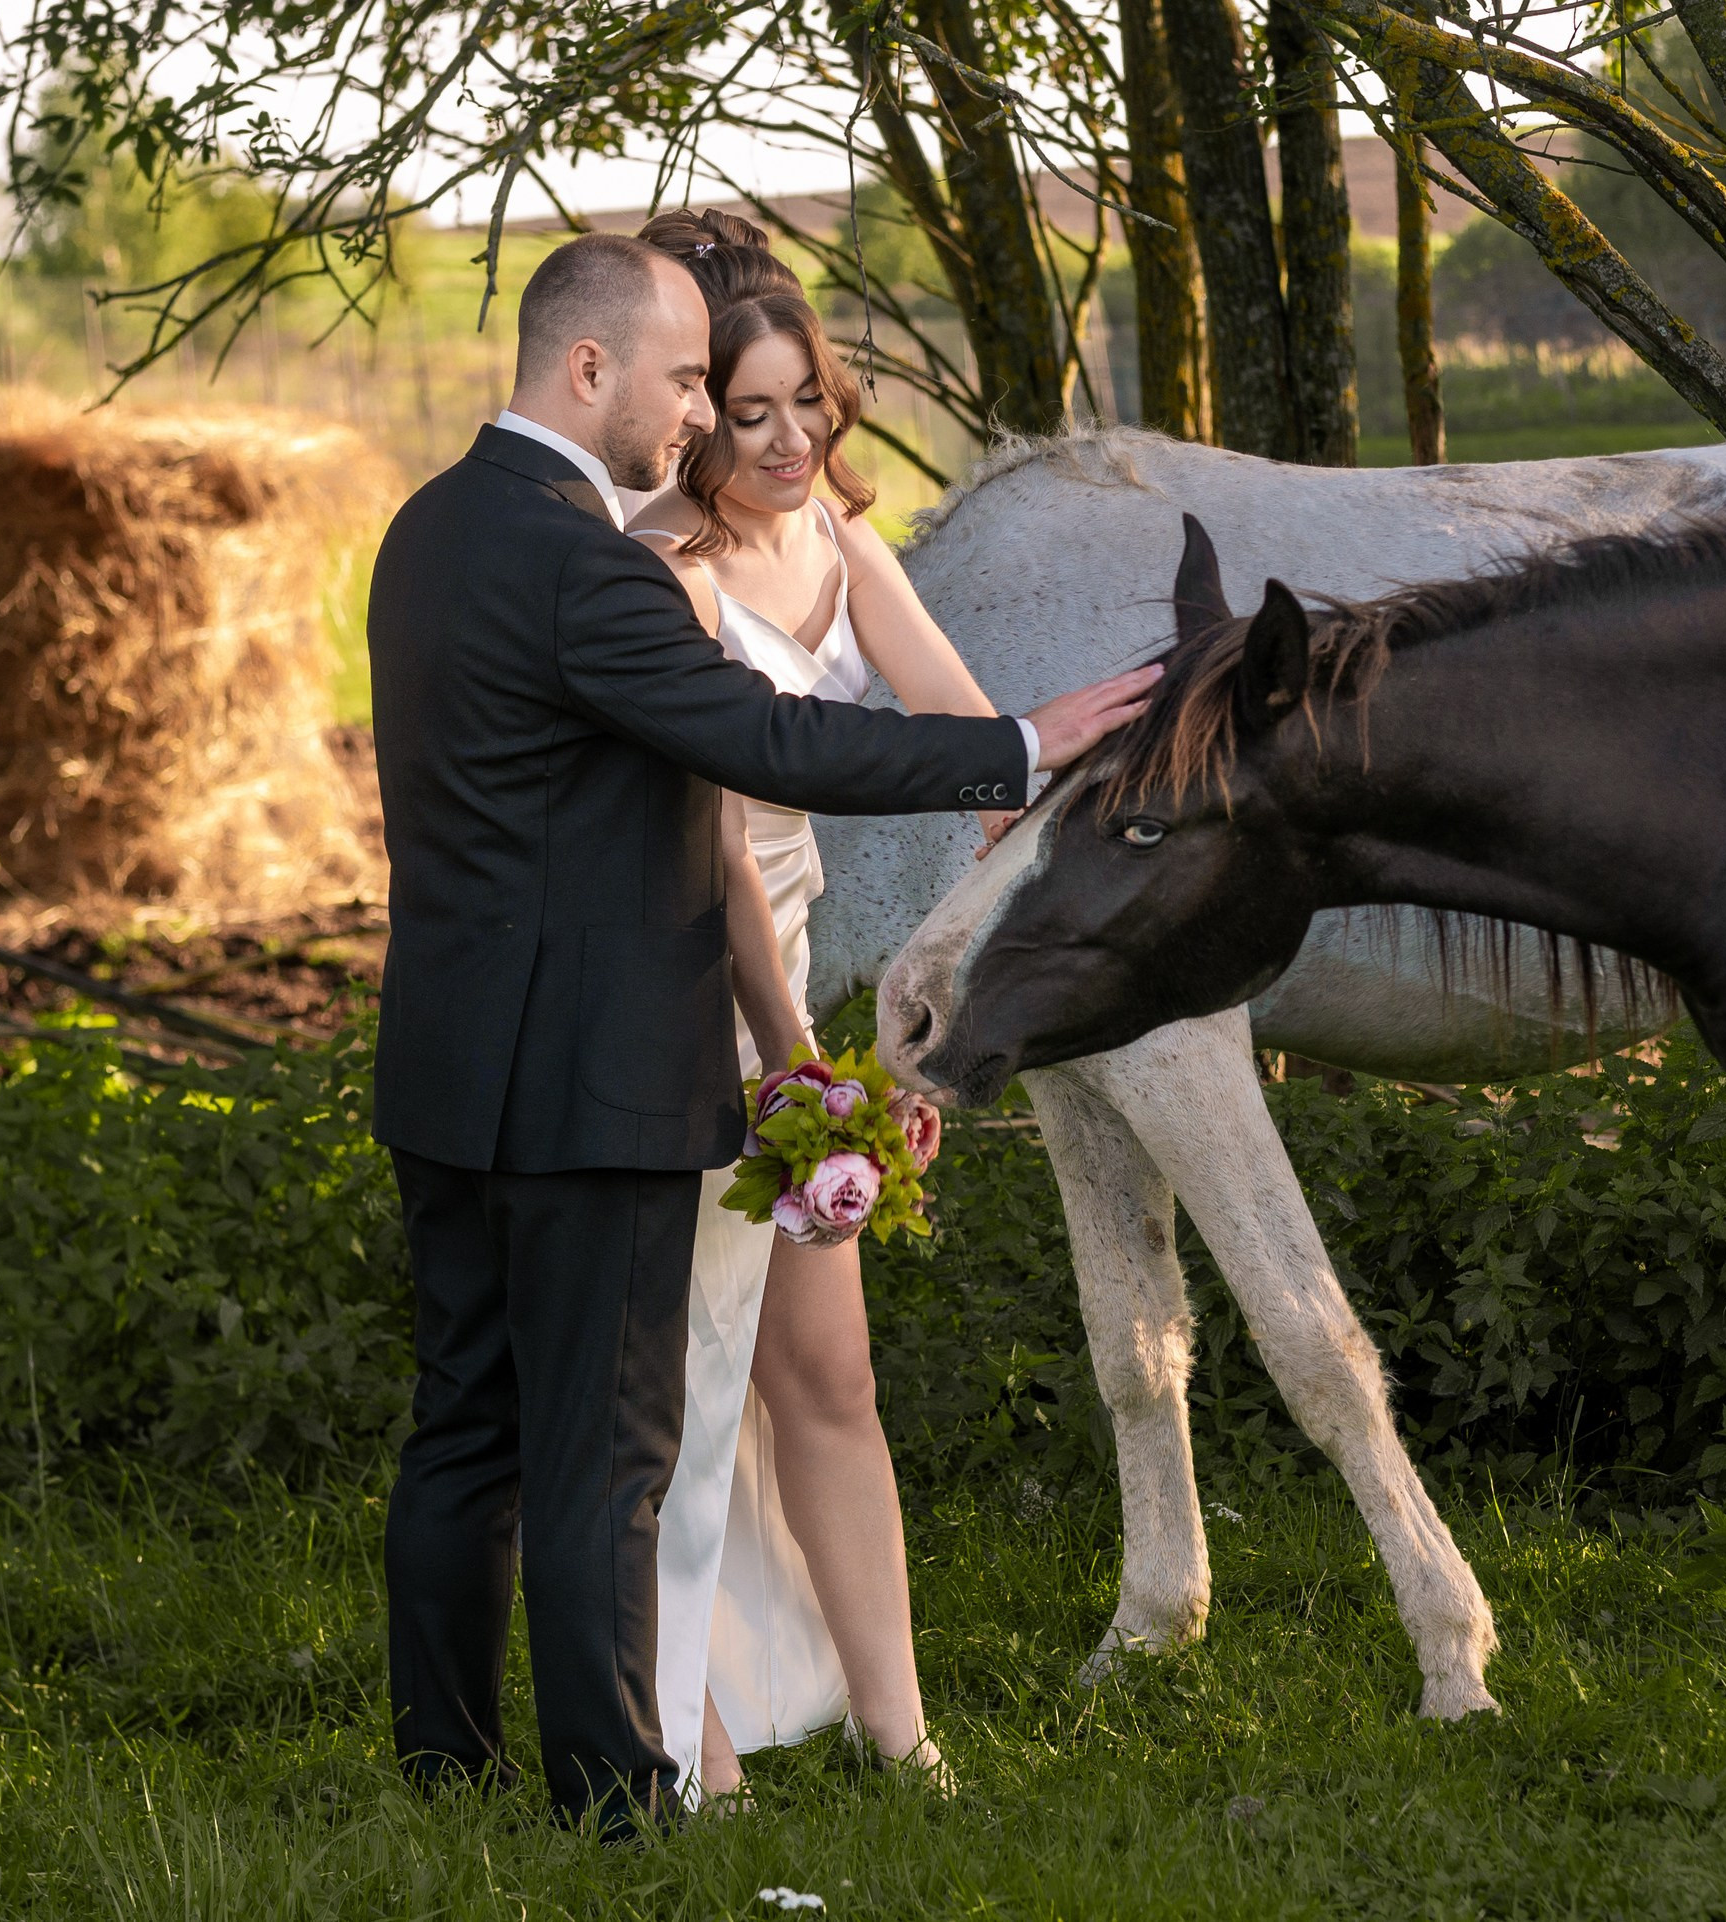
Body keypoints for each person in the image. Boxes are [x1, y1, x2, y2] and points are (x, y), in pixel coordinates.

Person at [365, 229, 1158, 1836]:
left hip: (451, 1059)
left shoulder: (426, 530)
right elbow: (757, 734)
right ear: (586, 368)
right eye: (677, 382)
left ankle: (444, 1774)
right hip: (597, 1078)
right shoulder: (589, 558)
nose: (689, 418)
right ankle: (618, 1804)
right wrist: (1014, 743)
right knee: (611, 1452)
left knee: (468, 1429)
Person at [610, 209, 993, 1807]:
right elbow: (715, 848)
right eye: (743, 409)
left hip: (796, 992)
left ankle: (902, 1735)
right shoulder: (660, 568)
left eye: (803, 407)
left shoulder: (848, 551)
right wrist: (797, 1065)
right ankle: (684, 1736)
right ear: (698, 413)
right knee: (685, 1378)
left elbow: (978, 750)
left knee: (828, 1378)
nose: (779, 439)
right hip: (684, 984)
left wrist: (928, 1043)